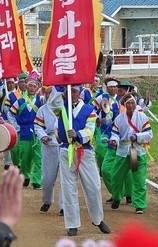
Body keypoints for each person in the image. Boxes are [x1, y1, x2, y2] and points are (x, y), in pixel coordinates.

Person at [56, 85, 110, 236]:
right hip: (67, 150)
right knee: (68, 188)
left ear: (79, 93)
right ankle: (72, 224)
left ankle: (98, 219)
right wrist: (59, 87)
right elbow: (51, 104)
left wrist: (78, 134)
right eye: (69, 90)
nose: (71, 93)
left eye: (74, 91)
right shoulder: (61, 108)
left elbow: (90, 130)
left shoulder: (88, 110)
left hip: (84, 150)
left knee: (93, 186)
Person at [109, 92, 153, 214]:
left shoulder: (142, 117)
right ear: (124, 105)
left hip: (136, 151)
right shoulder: (119, 118)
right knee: (116, 176)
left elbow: (149, 134)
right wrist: (113, 141)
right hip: (123, 151)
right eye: (128, 103)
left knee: (138, 178)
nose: (131, 105)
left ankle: (139, 204)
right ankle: (117, 197)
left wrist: (137, 136)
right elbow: (115, 134)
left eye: (133, 102)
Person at [8, 76, 43, 189]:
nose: (32, 88)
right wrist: (16, 127)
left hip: (37, 130)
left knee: (39, 156)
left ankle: (37, 180)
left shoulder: (40, 100)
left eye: (34, 86)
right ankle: (26, 176)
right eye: (30, 86)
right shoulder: (20, 101)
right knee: (25, 155)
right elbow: (10, 114)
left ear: (37, 88)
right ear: (27, 87)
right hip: (24, 130)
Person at [34, 87, 63, 214]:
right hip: (49, 145)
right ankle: (47, 200)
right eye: (45, 92)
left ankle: (63, 206)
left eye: (50, 92)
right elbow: (37, 126)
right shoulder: (42, 110)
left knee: (65, 178)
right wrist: (43, 136)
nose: (47, 94)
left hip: (65, 146)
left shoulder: (67, 108)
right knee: (48, 179)